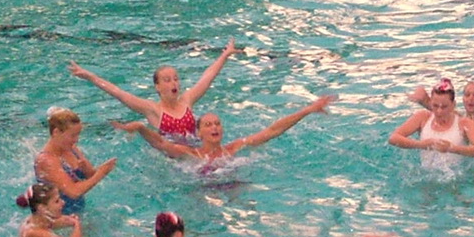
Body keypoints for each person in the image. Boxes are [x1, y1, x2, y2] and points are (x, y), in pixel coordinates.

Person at [71, 42, 235, 141]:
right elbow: (118, 92)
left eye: (176, 78)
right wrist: (90, 76)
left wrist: (225, 55)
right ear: (157, 86)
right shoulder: (153, 110)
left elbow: (207, 77)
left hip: (193, 151)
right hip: (171, 160)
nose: (174, 83)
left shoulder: (187, 100)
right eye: (167, 80)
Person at [130, 96, 335, 169]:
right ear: (198, 134)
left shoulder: (235, 148)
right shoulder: (191, 154)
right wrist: (141, 128)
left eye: (217, 124)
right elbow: (161, 144)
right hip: (199, 189)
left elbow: (273, 130)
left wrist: (307, 110)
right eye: (208, 125)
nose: (215, 128)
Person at [34, 108, 116, 216]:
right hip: (56, 220)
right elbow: (73, 192)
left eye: (78, 134)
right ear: (56, 132)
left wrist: (87, 169)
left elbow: (90, 176)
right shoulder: (46, 160)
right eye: (73, 135)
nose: (76, 139)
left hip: (78, 212)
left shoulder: (71, 149)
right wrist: (101, 173)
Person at [390, 78, 474, 157]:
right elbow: (393, 138)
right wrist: (421, 144)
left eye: (444, 107)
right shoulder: (423, 117)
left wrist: (452, 148)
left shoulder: (464, 123)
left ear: (453, 105)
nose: (439, 111)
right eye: (435, 106)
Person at [16, 183, 83, 237]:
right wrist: (77, 224)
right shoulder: (36, 233)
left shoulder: (35, 220)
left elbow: (51, 223)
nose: (63, 202)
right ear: (42, 208)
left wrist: (68, 221)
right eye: (57, 201)